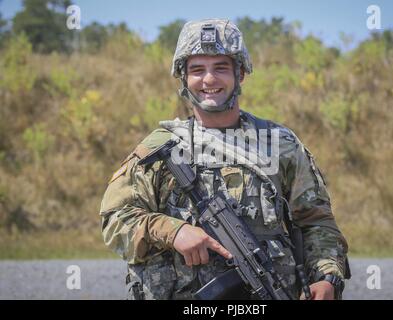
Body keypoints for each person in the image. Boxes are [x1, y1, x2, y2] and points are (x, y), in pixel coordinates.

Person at [100, 18, 350, 300]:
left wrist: (327, 276)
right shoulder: (161, 148)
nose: (209, 80)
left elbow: (317, 222)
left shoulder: (280, 144)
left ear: (240, 73)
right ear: (184, 78)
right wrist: (174, 231)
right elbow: (114, 220)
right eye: (197, 70)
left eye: (220, 67)